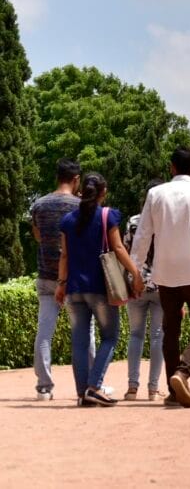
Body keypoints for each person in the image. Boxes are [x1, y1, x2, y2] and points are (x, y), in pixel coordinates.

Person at [131, 147, 190, 408]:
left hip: (165, 272)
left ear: (171, 167)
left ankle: (173, 392)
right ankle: (182, 373)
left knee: (170, 329)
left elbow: (143, 236)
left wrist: (135, 271)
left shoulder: (156, 194)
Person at [55, 173, 144, 406]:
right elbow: (117, 247)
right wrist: (135, 274)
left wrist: (61, 284)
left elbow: (64, 255)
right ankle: (94, 386)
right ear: (103, 192)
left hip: (74, 289)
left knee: (80, 342)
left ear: (81, 191)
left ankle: (82, 392)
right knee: (110, 337)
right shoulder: (107, 216)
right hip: (100, 289)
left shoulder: (67, 221)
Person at [29, 158, 82, 401]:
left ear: (56, 177)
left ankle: (44, 387)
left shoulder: (39, 205)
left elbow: (38, 236)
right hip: (72, 278)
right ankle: (89, 383)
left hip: (45, 276)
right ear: (76, 180)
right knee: (83, 330)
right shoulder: (81, 206)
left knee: (44, 332)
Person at [124, 179, 166, 401]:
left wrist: (132, 279)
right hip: (161, 286)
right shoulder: (168, 223)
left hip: (137, 285)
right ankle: (153, 389)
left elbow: (126, 252)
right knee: (158, 336)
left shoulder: (133, 222)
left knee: (135, 335)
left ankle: (132, 387)